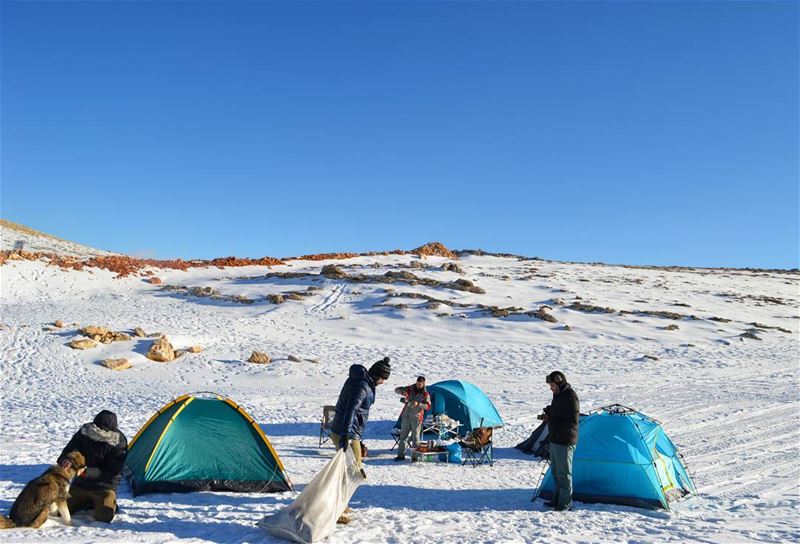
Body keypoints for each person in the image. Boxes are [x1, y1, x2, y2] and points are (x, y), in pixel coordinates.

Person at [57, 410, 127, 522]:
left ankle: (109, 502)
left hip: (104, 486)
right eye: (95, 428)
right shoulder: (84, 432)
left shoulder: (119, 441)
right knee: (58, 511)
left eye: (99, 429)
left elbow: (113, 471)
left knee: (104, 518)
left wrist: (87, 472)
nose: (96, 431)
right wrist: (67, 460)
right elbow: (68, 451)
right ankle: (86, 500)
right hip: (81, 483)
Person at [330, 356, 391, 475]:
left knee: (351, 467)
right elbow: (351, 410)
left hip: (346, 430)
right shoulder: (362, 386)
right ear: (376, 375)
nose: (383, 382)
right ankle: (340, 490)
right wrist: (346, 434)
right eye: (382, 379)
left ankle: (343, 488)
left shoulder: (361, 381)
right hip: (346, 432)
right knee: (352, 469)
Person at [541, 371, 579, 511]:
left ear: (559, 382)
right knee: (556, 473)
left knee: (564, 474)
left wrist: (553, 419)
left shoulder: (570, 397)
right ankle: (556, 500)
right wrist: (549, 413)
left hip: (565, 441)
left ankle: (564, 503)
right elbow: (559, 413)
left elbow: (571, 421)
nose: (550, 388)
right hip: (555, 439)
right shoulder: (558, 396)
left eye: (552, 385)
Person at [394, 376, 431, 461]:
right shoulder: (410, 388)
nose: (418, 385)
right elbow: (396, 390)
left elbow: (428, 406)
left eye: (420, 384)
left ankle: (415, 457)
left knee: (415, 439)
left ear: (424, 384)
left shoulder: (425, 394)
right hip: (406, 416)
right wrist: (402, 392)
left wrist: (418, 404)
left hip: (416, 418)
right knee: (403, 436)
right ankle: (400, 456)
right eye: (417, 383)